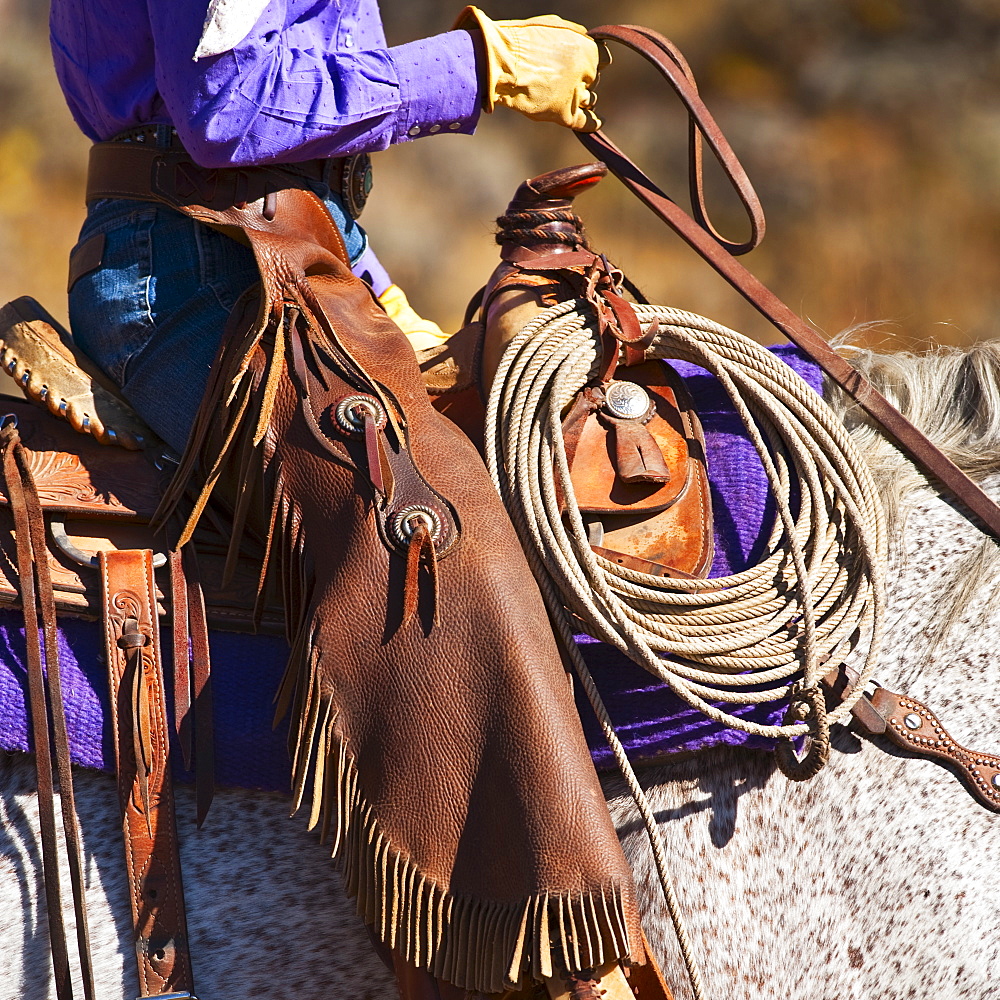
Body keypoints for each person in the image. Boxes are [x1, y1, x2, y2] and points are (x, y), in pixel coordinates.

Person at [47, 4, 667, 999]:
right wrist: (478, 66)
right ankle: (519, 966)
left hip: (289, 249)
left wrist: (367, 286)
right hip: (209, 272)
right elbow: (225, 103)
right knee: (434, 533)